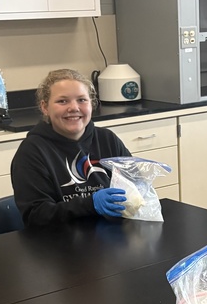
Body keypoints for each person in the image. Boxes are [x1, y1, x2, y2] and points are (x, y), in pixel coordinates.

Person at [10, 68, 133, 227]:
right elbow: (36, 216)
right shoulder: (32, 152)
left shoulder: (107, 139)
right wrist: (90, 205)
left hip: (111, 236)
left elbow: (134, 186)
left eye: (82, 100)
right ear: (45, 107)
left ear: (91, 104)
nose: (74, 107)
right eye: (62, 101)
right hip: (59, 243)